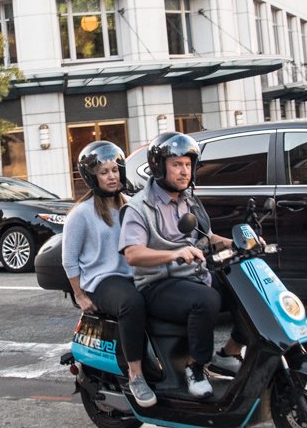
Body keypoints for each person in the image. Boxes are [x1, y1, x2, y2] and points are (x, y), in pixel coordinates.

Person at [119, 132, 244, 399]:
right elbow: (133, 254)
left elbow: (205, 237)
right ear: (159, 166)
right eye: (177, 165)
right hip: (156, 283)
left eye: (188, 165)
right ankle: (195, 367)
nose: (184, 171)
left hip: (191, 275)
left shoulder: (188, 199)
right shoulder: (139, 207)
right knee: (206, 300)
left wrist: (236, 243)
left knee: (245, 289)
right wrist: (175, 253)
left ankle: (229, 352)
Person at [61, 141, 157, 409]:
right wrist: (79, 294)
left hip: (134, 276)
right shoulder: (81, 214)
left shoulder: (132, 206)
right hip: (102, 281)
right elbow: (68, 259)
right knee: (132, 303)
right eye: (104, 172)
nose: (112, 176)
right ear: (93, 176)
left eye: (115, 170)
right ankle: (136, 375)